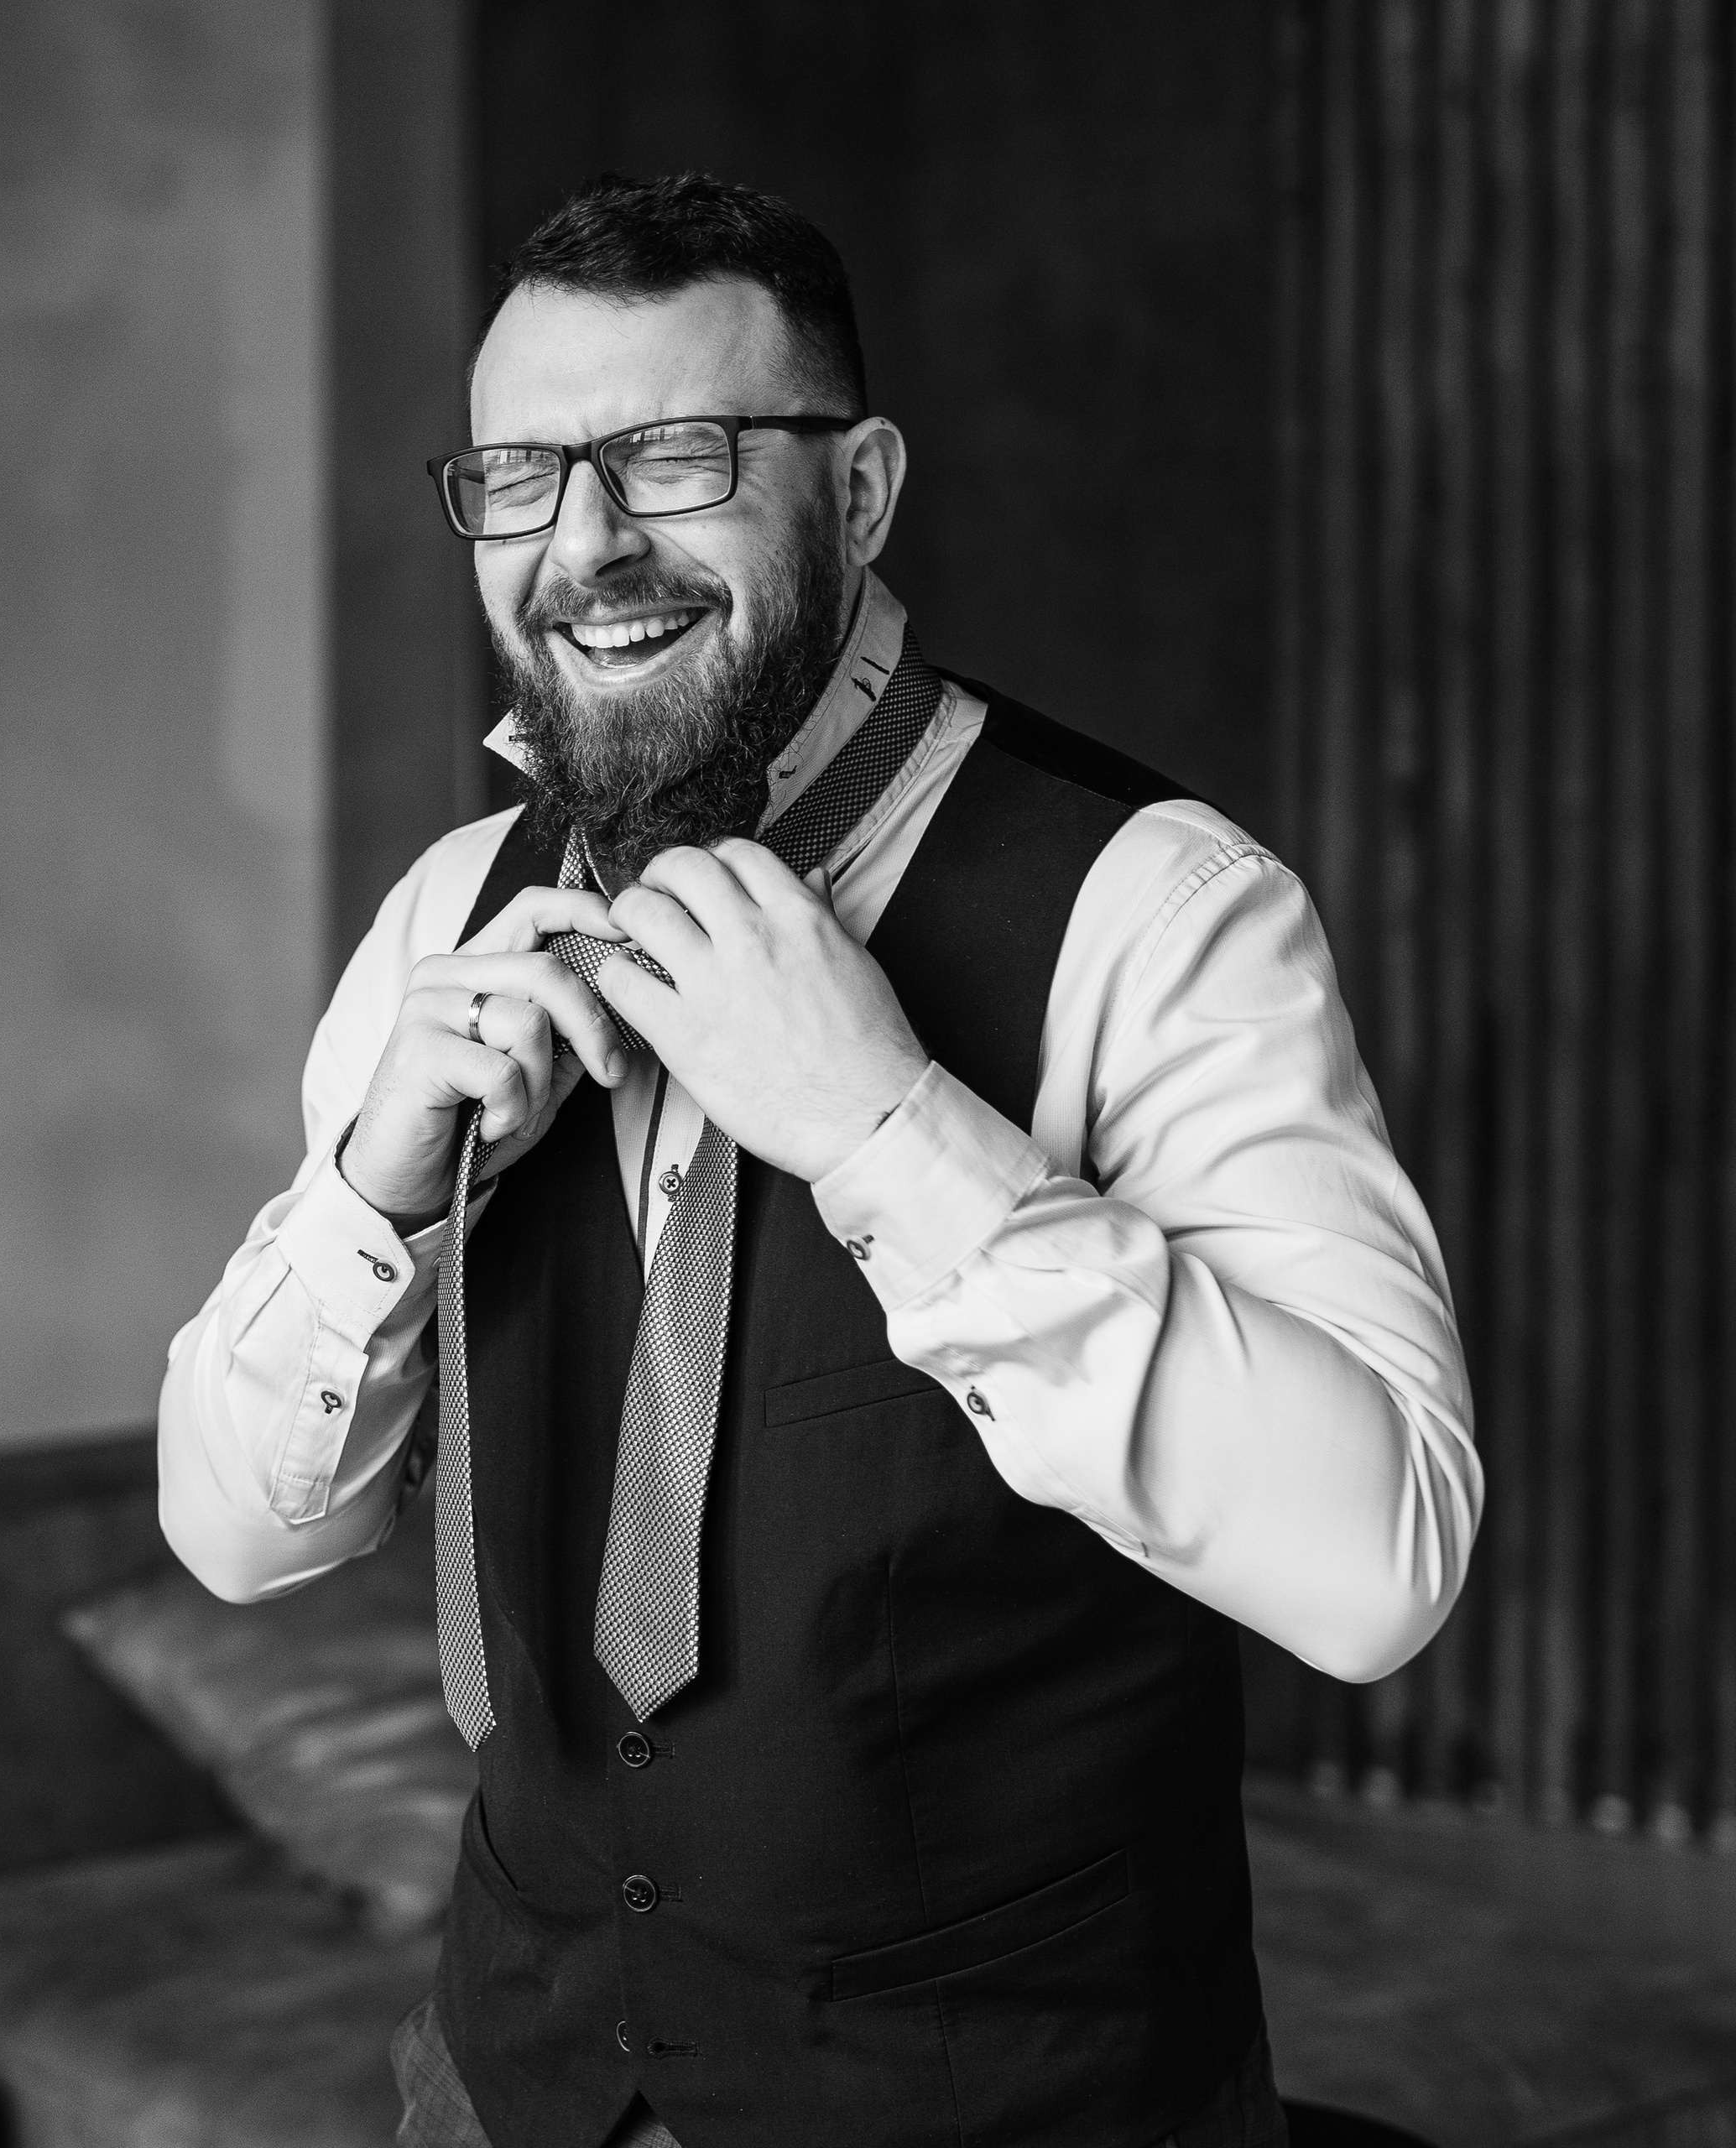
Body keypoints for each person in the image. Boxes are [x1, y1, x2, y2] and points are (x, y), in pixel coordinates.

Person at [159, 172, 1478, 2148]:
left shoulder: (1155, 908)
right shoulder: (451, 910)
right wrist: (371, 1185)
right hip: (502, 2080)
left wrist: (888, 1128)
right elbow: (233, 1529)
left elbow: (1382, 1563)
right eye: (517, 476)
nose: (582, 544)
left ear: (855, 494)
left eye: (669, 459)